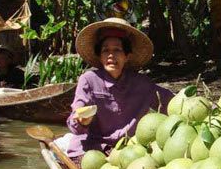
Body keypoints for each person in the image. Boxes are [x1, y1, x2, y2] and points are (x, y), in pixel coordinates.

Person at [64, 17, 173, 159]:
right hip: (93, 149)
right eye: (105, 50)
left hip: (128, 151)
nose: (111, 55)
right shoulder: (89, 80)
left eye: (117, 50)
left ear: (127, 55)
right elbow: (76, 117)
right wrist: (80, 120)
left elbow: (172, 101)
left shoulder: (142, 84)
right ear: (99, 55)